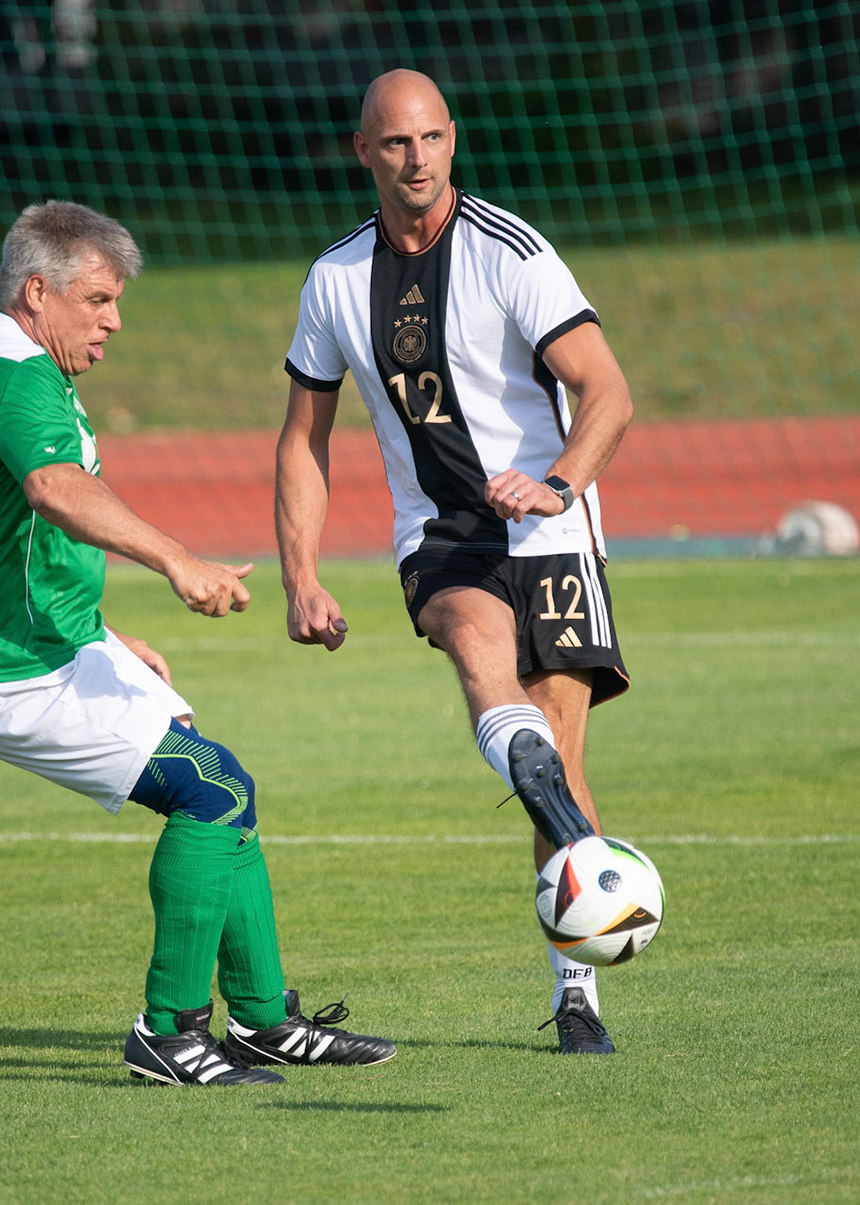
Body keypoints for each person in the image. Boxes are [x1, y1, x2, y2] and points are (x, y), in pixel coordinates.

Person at [0, 200, 396, 1085]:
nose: (114, 321)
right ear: (36, 291)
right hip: (11, 674)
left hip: (50, 647)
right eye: (96, 300)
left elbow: (0, 540)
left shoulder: (19, 368)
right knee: (209, 795)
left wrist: (100, 631)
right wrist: (178, 561)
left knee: (226, 788)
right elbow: (55, 491)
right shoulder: (11, 375)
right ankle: (168, 1031)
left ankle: (263, 1022)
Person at [272, 71, 637, 1055]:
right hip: (439, 534)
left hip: (552, 528)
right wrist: (300, 574)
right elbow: (305, 436)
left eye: (432, 138)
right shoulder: (336, 279)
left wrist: (558, 481)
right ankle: (527, 767)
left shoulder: (513, 252)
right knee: (478, 646)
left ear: (454, 140)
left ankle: (577, 991)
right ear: (364, 152)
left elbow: (606, 390)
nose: (417, 158)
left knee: (561, 747)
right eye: (396, 143)